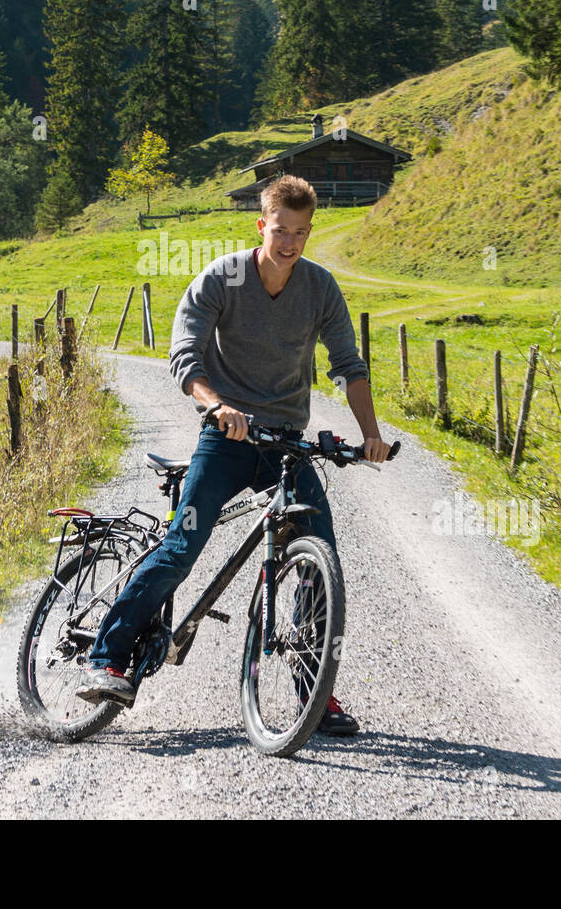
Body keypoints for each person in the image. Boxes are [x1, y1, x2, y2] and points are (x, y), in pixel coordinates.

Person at [77, 174, 392, 734]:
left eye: (300, 233)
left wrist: (370, 434)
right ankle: (109, 654)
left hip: (285, 445)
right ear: (261, 225)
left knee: (319, 556)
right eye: (280, 231)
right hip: (225, 437)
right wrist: (217, 405)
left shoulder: (320, 288)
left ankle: (313, 693)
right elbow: (184, 357)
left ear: (310, 230)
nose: (290, 243)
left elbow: (349, 365)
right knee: (183, 545)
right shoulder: (222, 278)